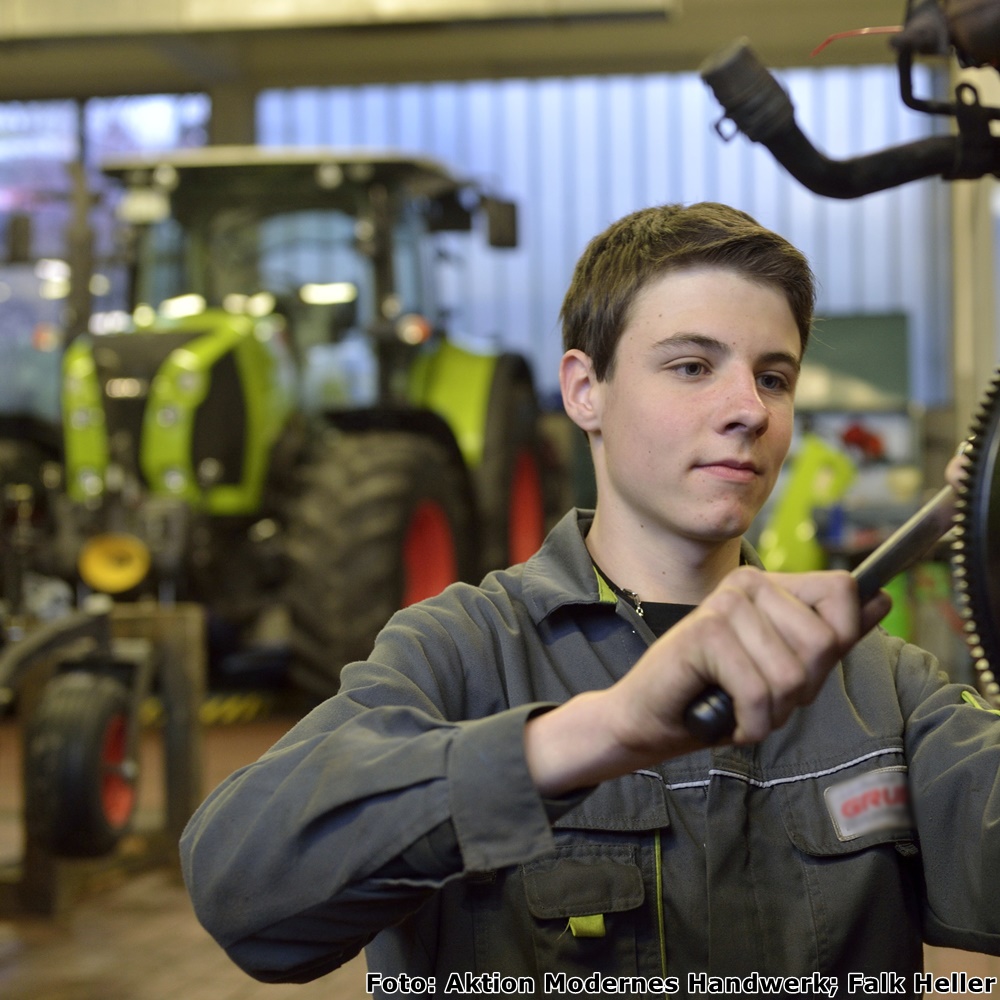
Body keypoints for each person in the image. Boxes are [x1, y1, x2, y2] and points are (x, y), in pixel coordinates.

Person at [180, 203, 1000, 998]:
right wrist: (599, 733)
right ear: (585, 390)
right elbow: (241, 888)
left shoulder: (885, 688)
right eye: (691, 366)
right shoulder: (457, 656)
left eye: (774, 377)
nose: (749, 409)